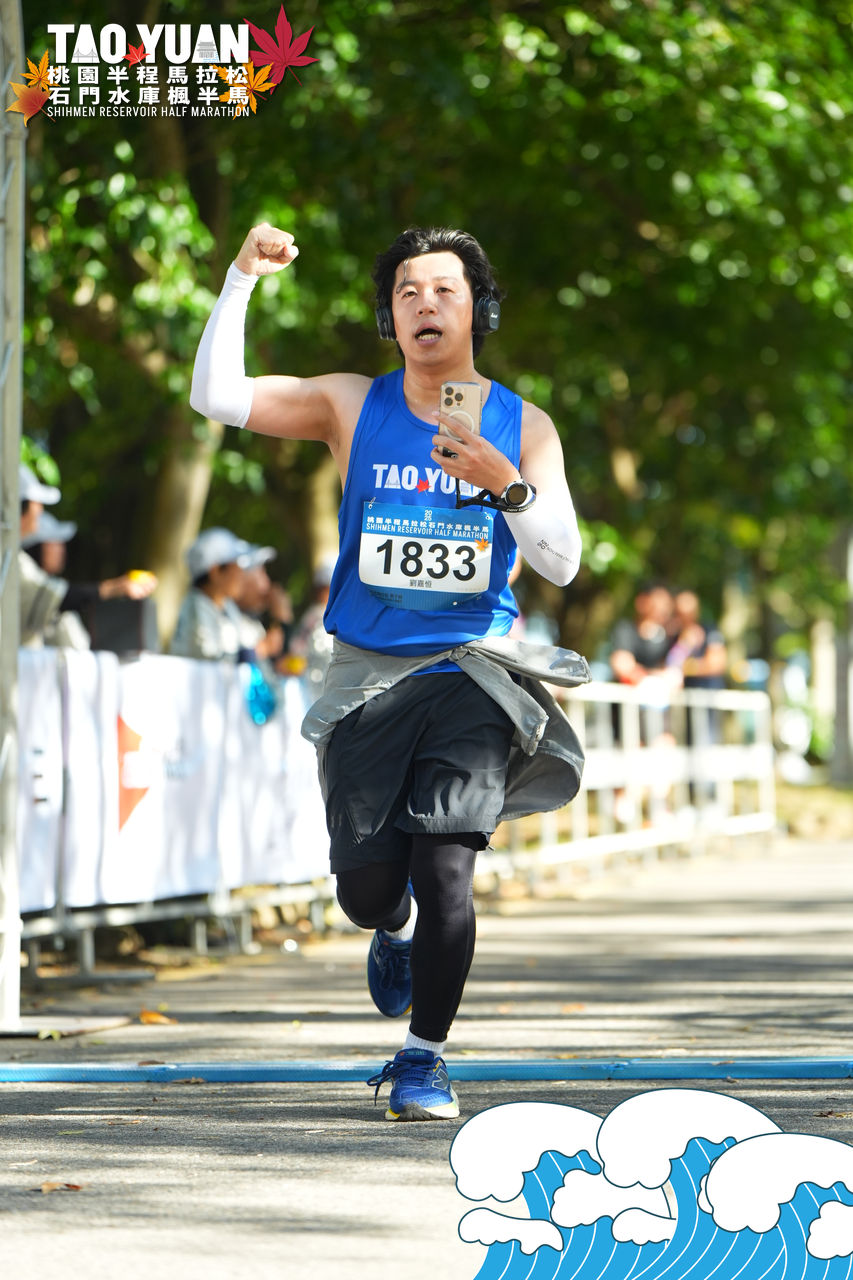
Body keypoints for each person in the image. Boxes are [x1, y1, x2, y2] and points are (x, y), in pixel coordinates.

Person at [190, 221, 587, 1121]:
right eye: (407, 292)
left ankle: (423, 1058)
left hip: (473, 673)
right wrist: (241, 277)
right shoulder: (348, 404)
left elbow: (560, 563)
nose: (425, 305)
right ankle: (393, 929)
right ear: (389, 318)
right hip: (366, 675)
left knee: (448, 871)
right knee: (368, 892)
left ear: (477, 311)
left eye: (445, 290)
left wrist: (506, 484)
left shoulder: (523, 425)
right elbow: (216, 397)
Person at [18, 463, 156, 648]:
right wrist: (115, 587)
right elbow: (63, 598)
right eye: (55, 543)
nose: (62, 550)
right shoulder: (18, 566)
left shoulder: (21, 565)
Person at [170, 527, 273, 661]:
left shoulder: (226, 607)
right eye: (236, 566)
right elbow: (208, 661)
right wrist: (257, 651)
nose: (241, 573)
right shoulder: (195, 609)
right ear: (216, 571)